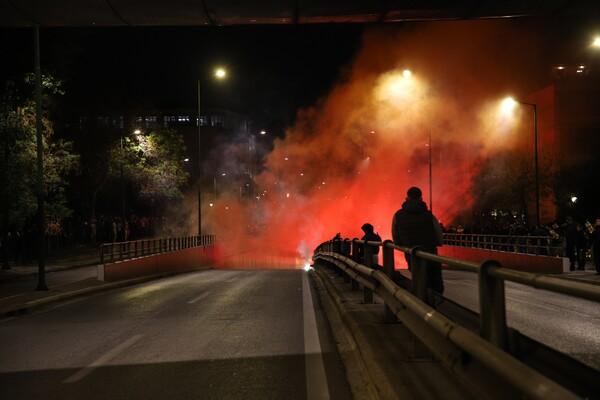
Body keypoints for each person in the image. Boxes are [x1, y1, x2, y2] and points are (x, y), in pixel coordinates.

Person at [391, 186, 444, 294]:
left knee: (419, 283)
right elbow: (439, 239)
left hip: (412, 256)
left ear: (407, 198)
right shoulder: (429, 215)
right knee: (436, 286)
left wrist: (404, 246)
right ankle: (434, 306)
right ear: (421, 198)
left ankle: (420, 305)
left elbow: (396, 239)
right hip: (431, 255)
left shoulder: (398, 216)